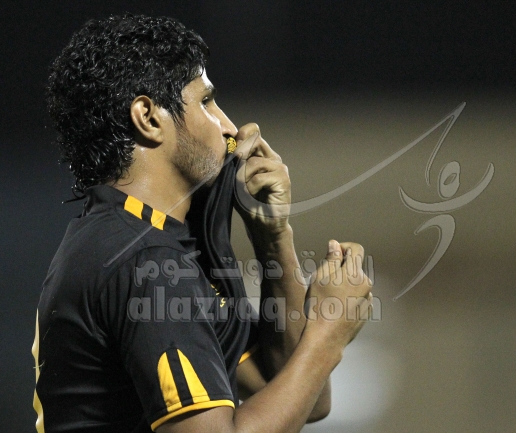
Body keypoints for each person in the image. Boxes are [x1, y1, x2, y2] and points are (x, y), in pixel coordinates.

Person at [33, 13, 373, 433]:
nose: (230, 127)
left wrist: (272, 236)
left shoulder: (130, 239)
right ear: (148, 117)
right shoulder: (146, 260)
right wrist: (328, 334)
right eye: (206, 102)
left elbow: (300, 395)